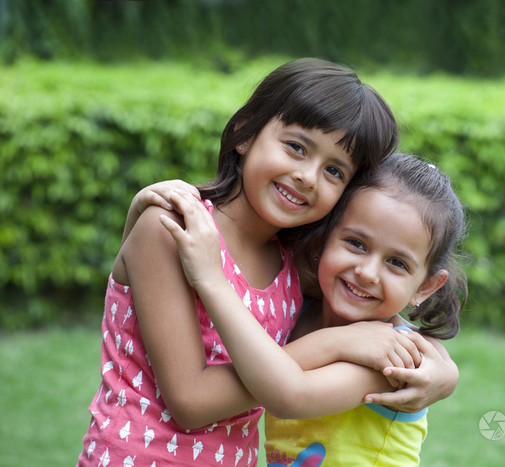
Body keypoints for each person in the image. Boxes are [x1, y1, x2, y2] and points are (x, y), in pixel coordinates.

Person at [77, 57, 413, 466]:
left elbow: (384, 310)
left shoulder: (294, 264)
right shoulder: (173, 230)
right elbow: (191, 400)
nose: (308, 176)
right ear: (244, 131)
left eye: (334, 171)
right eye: (296, 147)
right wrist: (333, 344)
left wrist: (441, 370)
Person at [159, 153, 468, 465]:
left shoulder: (392, 355)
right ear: (323, 238)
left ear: (425, 287)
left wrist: (210, 278)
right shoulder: (296, 310)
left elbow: (290, 396)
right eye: (357, 244)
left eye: (397, 263)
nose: (367, 272)